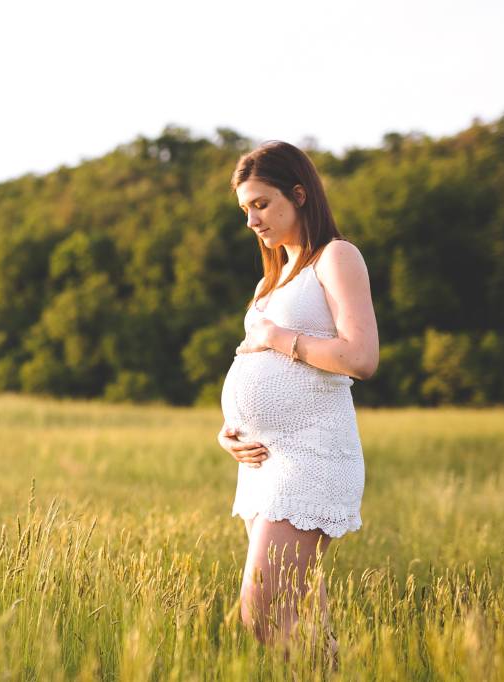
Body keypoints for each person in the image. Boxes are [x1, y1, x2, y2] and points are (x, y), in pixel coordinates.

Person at [216, 141, 379, 664]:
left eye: (261, 204)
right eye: (246, 209)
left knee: (262, 611)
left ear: (299, 194)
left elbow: (361, 357)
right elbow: (252, 365)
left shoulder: (336, 256)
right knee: (302, 620)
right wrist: (229, 429)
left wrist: (279, 338)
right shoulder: (271, 279)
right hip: (264, 464)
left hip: (311, 456)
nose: (252, 221)